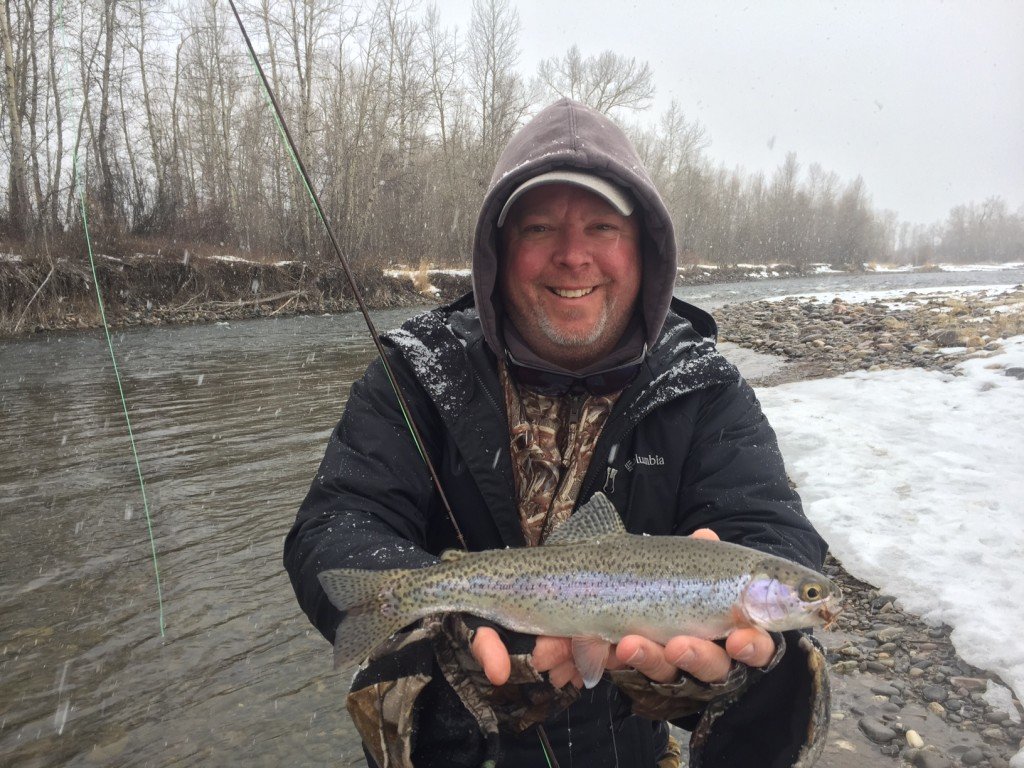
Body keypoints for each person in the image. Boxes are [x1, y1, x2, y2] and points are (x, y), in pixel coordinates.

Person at [285, 98, 831, 768]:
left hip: (625, 749)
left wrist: (748, 666)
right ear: (500, 251)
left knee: (787, 675)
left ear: (642, 249)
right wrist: (436, 629)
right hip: (444, 750)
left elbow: (771, 526)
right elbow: (334, 526)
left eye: (602, 227)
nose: (573, 256)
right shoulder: (415, 375)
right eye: (540, 228)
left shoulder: (706, 387)